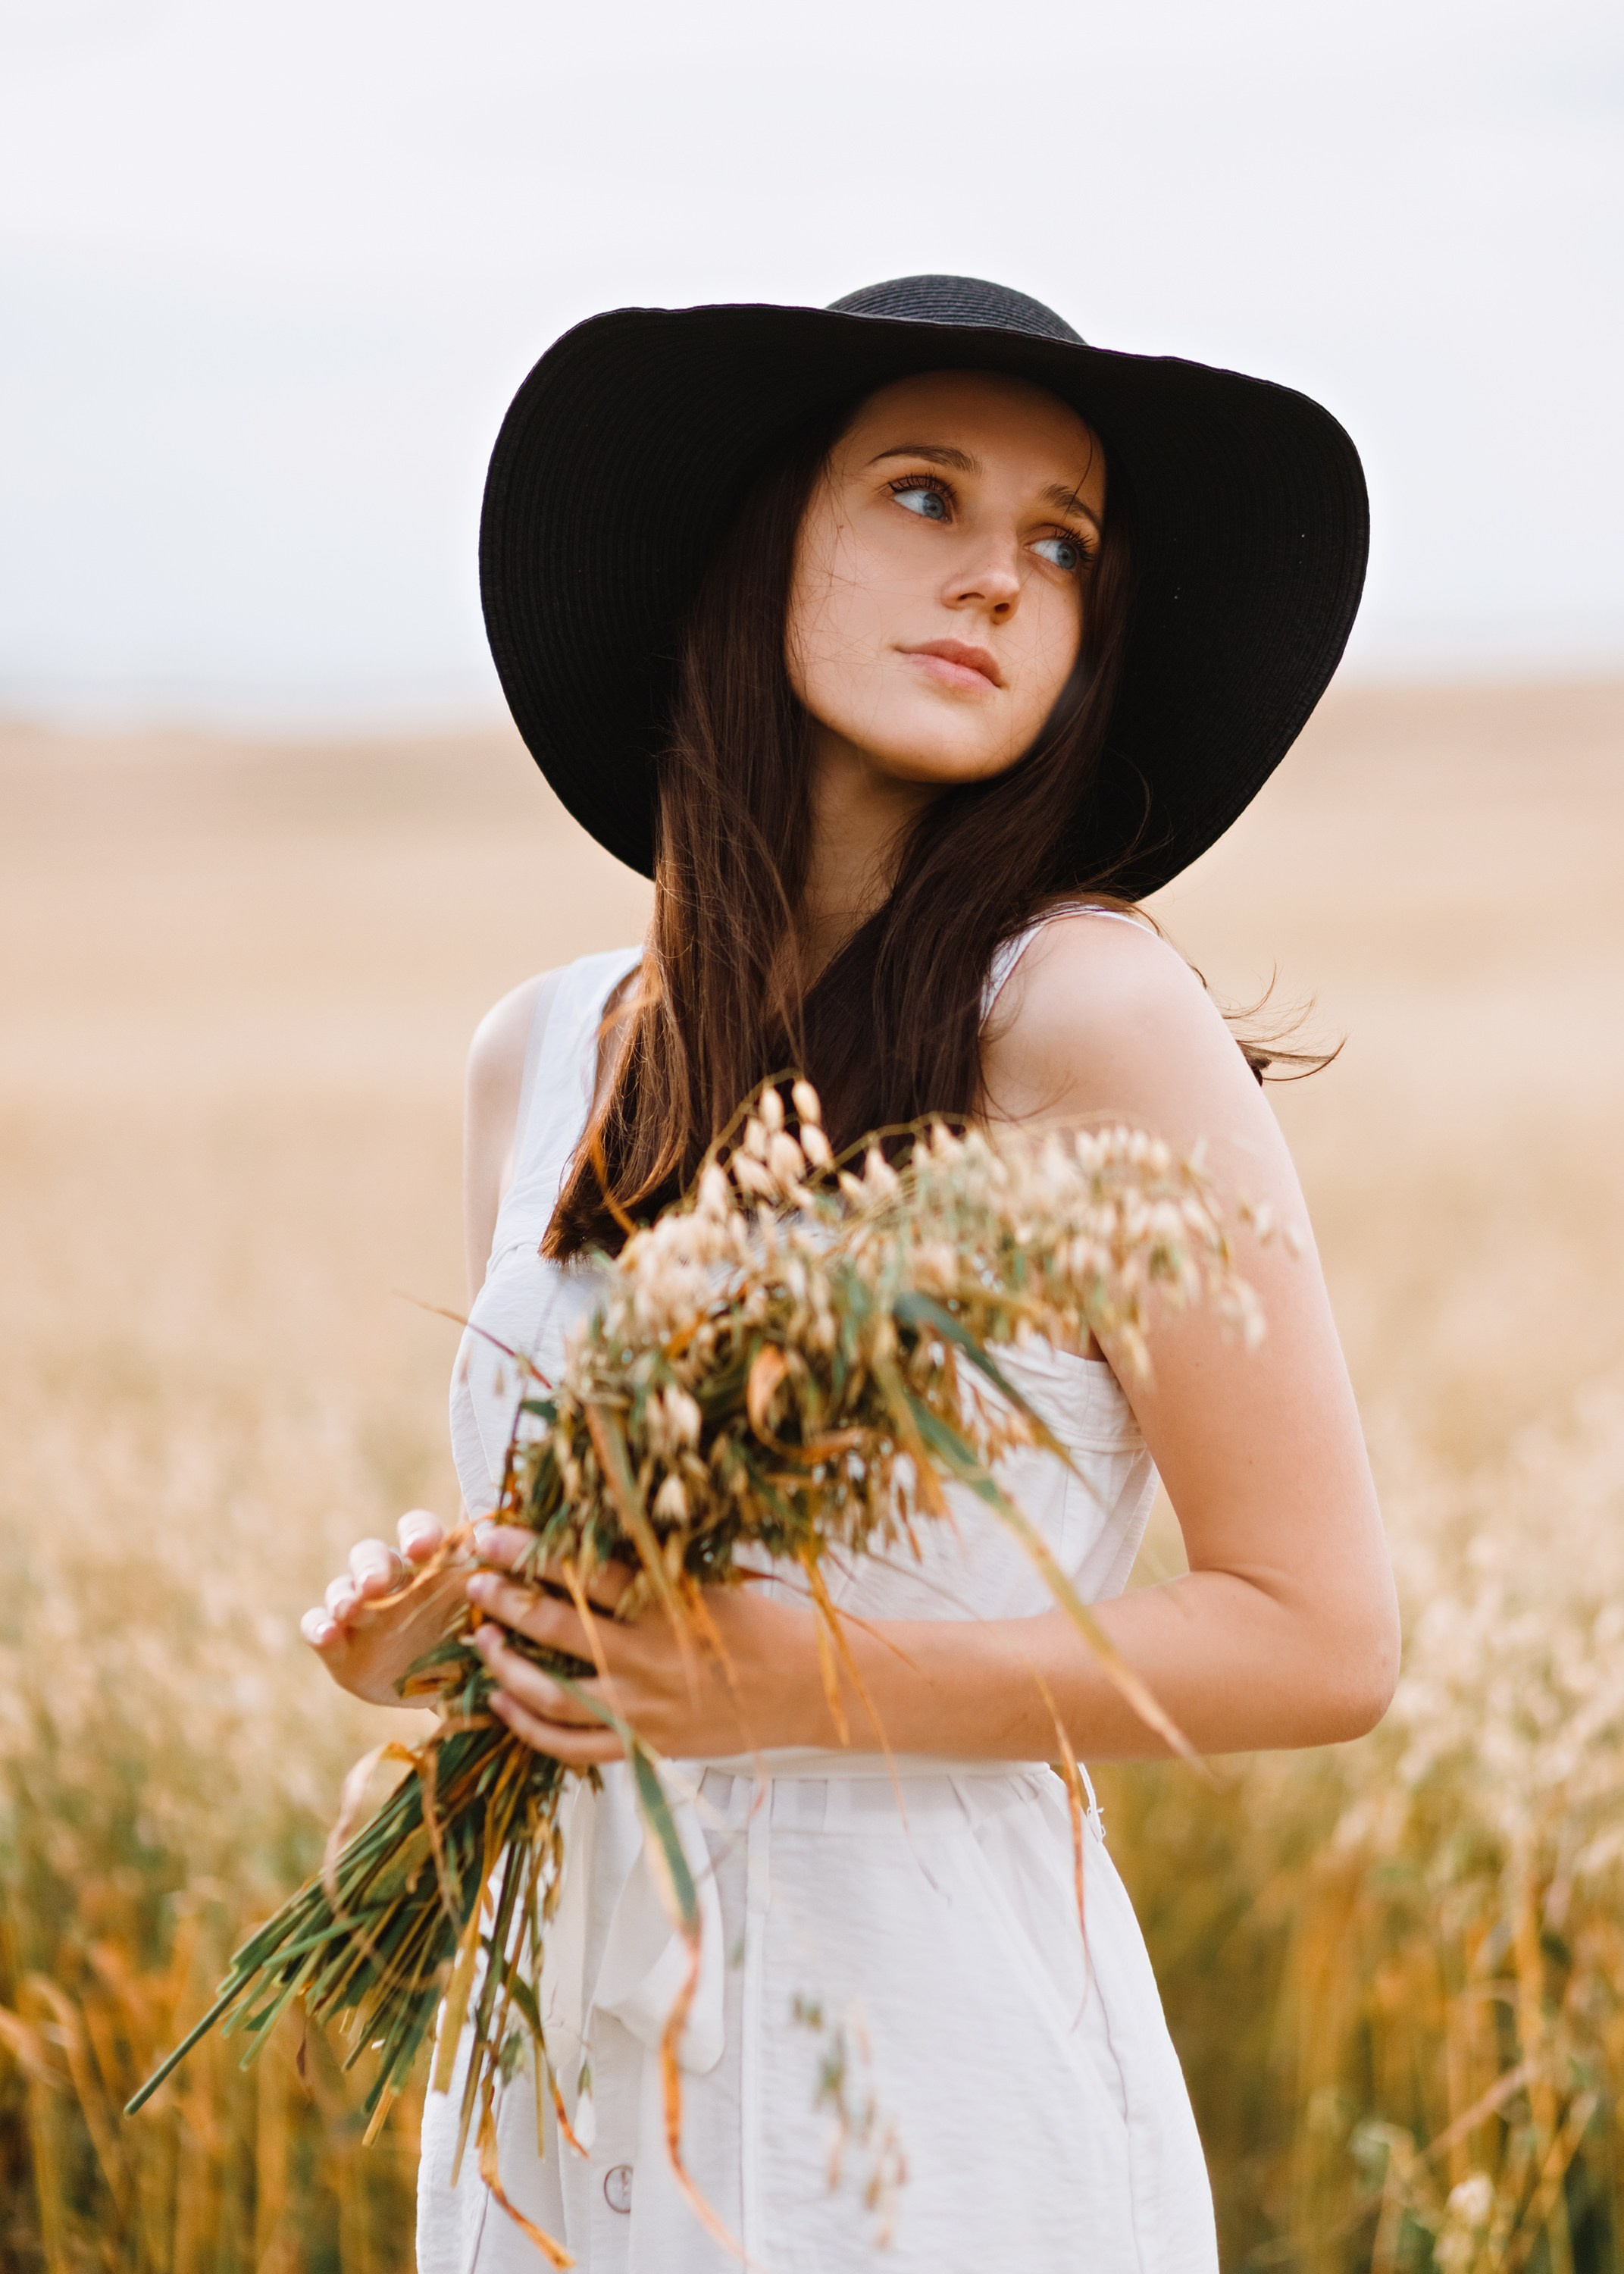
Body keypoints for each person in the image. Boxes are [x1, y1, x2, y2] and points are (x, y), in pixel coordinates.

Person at [300, 277, 1399, 2272]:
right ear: (759, 539)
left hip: (923, 2112)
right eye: (922, 497)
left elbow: (1323, 1638)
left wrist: (794, 1687)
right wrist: (451, 1643)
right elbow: (618, 1618)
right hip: (560, 2096)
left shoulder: (1082, 1009)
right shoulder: (538, 1055)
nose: (998, 580)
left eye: (1059, 544)